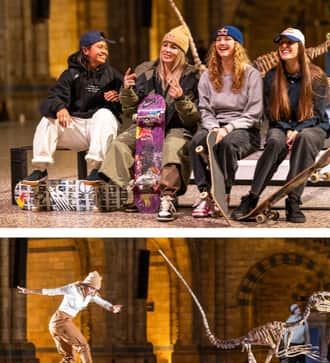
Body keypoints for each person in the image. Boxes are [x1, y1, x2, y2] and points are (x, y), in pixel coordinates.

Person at [88, 25, 200, 221]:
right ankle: (137, 188)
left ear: (182, 52)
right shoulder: (146, 70)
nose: (167, 49)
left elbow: (192, 118)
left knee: (173, 147)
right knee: (121, 143)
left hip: (177, 127)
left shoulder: (193, 76)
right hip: (147, 126)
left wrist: (181, 99)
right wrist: (127, 91)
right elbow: (131, 111)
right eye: (165, 44)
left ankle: (167, 197)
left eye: (174, 47)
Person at [231, 28, 330, 223]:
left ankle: (294, 201)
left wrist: (298, 130)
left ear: (300, 48)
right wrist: (286, 129)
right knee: (274, 141)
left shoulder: (317, 77)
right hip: (281, 124)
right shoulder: (271, 77)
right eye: (281, 43)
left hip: (312, 125)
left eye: (289, 43)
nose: (284, 46)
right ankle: (252, 197)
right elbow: (271, 113)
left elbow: (317, 114)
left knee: (305, 138)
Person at [21, 31, 122, 184]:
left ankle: (98, 170)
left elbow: (129, 101)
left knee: (104, 114)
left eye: (106, 48)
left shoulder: (112, 74)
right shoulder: (70, 74)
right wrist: (60, 108)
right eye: (100, 47)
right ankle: (39, 170)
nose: (105, 52)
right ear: (86, 50)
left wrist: (121, 95)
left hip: (100, 130)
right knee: (48, 119)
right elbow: (52, 98)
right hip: (76, 128)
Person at [188, 26, 263, 217]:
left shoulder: (251, 74)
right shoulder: (207, 76)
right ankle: (206, 195)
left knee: (227, 144)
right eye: (219, 40)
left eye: (228, 39)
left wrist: (228, 129)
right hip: (215, 124)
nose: (222, 43)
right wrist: (214, 128)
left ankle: (223, 194)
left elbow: (254, 113)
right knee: (196, 142)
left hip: (245, 129)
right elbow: (205, 109)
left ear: (237, 45)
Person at [16, 271, 123, 363]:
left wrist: (112, 308)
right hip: (60, 321)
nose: (93, 292)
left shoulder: (91, 295)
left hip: (60, 324)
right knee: (83, 345)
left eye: (95, 290)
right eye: (92, 289)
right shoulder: (72, 289)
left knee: (70, 357)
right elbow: (51, 292)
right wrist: (31, 291)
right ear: (86, 286)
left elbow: (102, 302)